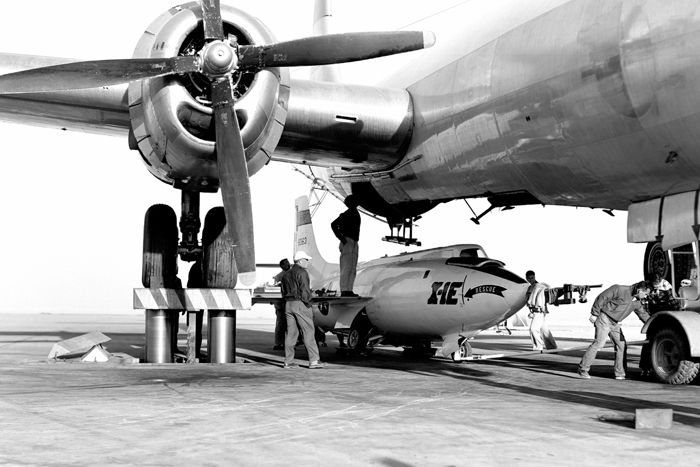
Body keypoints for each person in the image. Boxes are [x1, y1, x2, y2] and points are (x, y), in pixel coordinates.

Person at [577, 281, 651, 380]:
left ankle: (620, 373)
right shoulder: (619, 289)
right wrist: (594, 313)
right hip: (604, 318)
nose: (645, 296)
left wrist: (653, 324)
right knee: (599, 343)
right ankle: (583, 369)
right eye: (645, 294)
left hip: (615, 323)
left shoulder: (637, 302)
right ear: (639, 290)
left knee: (621, 345)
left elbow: (643, 314)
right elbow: (602, 297)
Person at [281, 251, 323, 369]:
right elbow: (304, 290)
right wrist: (308, 303)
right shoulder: (302, 272)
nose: (308, 262)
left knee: (291, 334)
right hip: (300, 304)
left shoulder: (286, 274)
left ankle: (288, 361)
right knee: (308, 331)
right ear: (300, 261)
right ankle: (314, 361)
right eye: (306, 259)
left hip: (288, 304)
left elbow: (283, 292)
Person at [331, 194, 361, 297]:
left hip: (353, 242)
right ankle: (344, 290)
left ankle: (348, 290)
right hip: (348, 241)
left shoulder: (353, 213)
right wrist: (342, 238)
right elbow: (333, 224)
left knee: (352, 268)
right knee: (346, 267)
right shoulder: (346, 214)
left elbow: (334, 225)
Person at [525, 270, 557, 350]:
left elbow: (546, 291)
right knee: (545, 331)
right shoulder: (530, 288)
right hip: (535, 312)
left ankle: (538, 347)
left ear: (534, 277)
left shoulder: (539, 286)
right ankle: (552, 347)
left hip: (539, 311)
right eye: (529, 278)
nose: (531, 279)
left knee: (533, 329)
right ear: (526, 279)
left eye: (532, 278)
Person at [271, 258, 292, 350]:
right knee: (280, 325)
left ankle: (287, 343)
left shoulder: (291, 273)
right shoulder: (279, 276)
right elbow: (274, 288)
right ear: (282, 266)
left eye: (288, 263)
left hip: (288, 303)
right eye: (286, 263)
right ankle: (278, 343)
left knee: (289, 326)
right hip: (282, 305)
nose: (288, 264)